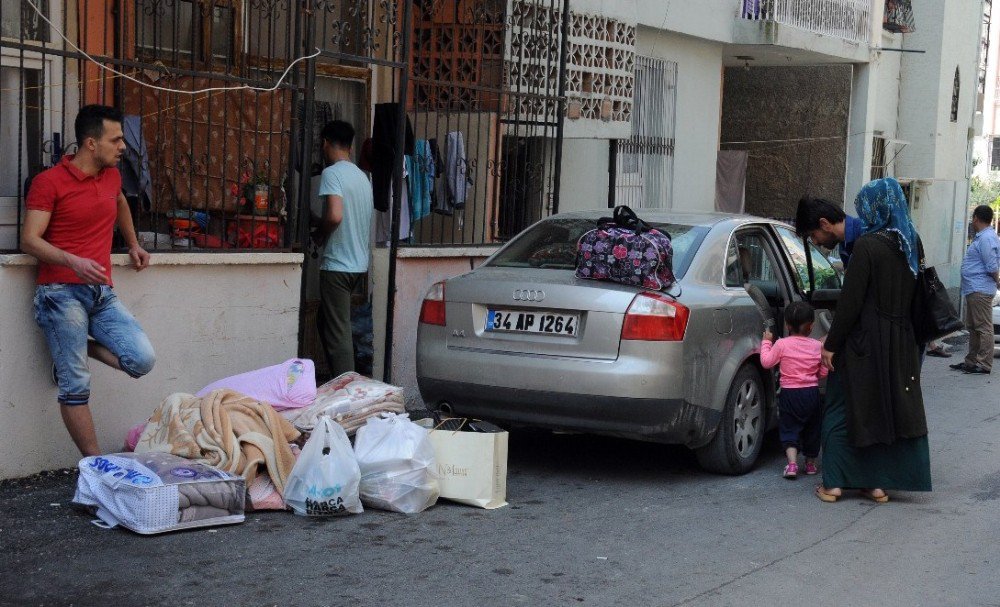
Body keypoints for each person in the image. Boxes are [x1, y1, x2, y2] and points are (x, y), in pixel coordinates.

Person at [20, 104, 156, 457]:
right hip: (59, 293)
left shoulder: (111, 176)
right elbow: (29, 240)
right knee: (76, 384)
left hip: (100, 293)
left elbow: (120, 203)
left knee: (141, 360)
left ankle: (69, 349)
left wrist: (133, 244)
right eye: (116, 140)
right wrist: (72, 261)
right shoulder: (47, 183)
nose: (123, 146)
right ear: (91, 144)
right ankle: (96, 468)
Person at [816, 178, 932, 504]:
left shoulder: (868, 245)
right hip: (902, 340)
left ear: (874, 208)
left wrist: (831, 344)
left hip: (864, 343)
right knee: (886, 410)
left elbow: (850, 302)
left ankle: (835, 484)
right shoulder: (912, 242)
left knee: (842, 407)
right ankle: (876, 485)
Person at [315, 120, 374, 377]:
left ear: (325, 143)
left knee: (338, 334)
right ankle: (339, 378)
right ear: (350, 146)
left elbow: (335, 216)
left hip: (337, 267)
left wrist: (319, 232)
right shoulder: (362, 177)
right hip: (358, 266)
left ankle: (346, 390)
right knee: (325, 320)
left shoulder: (332, 173)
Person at [760, 302, 828, 479]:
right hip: (811, 393)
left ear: (787, 325)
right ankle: (811, 464)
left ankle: (791, 464)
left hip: (789, 394)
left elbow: (767, 362)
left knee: (789, 427)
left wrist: (767, 342)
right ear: (812, 326)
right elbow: (821, 372)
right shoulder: (816, 346)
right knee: (812, 429)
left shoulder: (782, 344)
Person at [950, 205, 1000, 374]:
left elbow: (992, 265)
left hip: (980, 289)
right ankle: (971, 361)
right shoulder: (982, 237)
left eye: (973, 218)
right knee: (973, 326)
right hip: (973, 288)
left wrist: (997, 281)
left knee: (983, 327)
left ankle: (984, 363)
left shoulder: (986, 238)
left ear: (976, 218)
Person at [794, 196, 865, 266]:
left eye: (813, 235)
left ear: (824, 224)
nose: (814, 242)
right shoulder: (845, 245)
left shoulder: (866, 236)